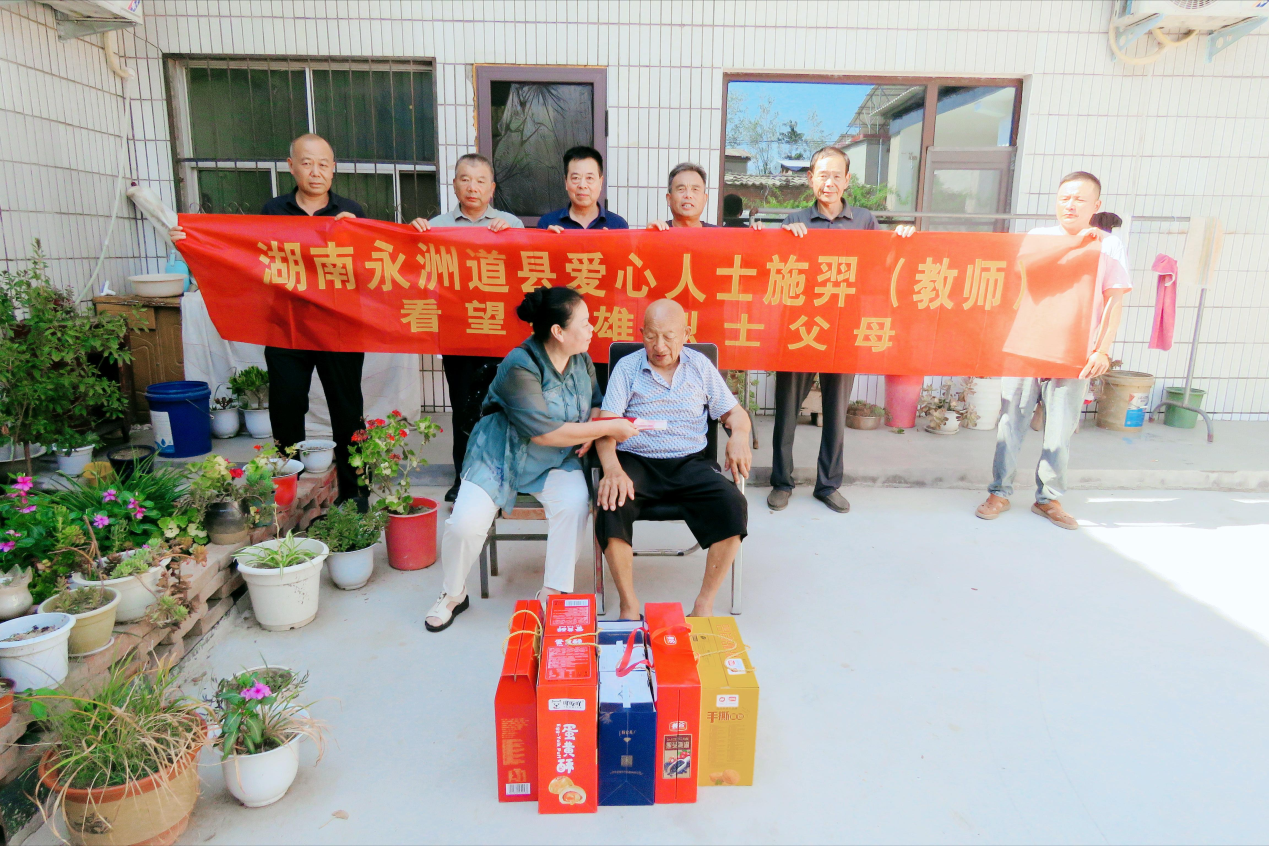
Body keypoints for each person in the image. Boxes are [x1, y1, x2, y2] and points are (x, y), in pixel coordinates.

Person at [425, 288, 640, 632]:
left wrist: (591, 428)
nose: (592, 328)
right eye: (585, 322)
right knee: (464, 524)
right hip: (499, 457)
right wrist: (608, 428)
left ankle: (553, 591)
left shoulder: (581, 360)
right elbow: (544, 433)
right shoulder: (520, 365)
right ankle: (453, 593)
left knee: (574, 504)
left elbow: (595, 403)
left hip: (556, 460)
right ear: (558, 331)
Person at [169, 133, 367, 505]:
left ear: (333, 169)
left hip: (338, 327)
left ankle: (356, 492)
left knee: (347, 410)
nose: (315, 172)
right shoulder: (273, 211)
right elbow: (242, 252)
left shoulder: (351, 212)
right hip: (286, 327)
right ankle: (286, 489)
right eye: (307, 163)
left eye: (323, 164)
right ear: (291, 166)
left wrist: (357, 235)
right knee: (286, 406)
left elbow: (373, 266)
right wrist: (192, 240)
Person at [976, 171, 1131, 530]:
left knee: (1060, 431)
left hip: (1074, 351)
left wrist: (1102, 350)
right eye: (1065, 198)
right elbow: (1024, 276)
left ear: (1096, 205)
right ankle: (999, 491)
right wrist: (1075, 246)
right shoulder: (1038, 237)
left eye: (1079, 199)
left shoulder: (1108, 245)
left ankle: (1048, 499)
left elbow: (1114, 301)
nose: (1070, 205)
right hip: (1025, 346)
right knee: (1009, 424)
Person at [769, 145, 914, 514]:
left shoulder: (865, 221)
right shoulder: (795, 219)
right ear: (810, 179)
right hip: (801, 327)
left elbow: (884, 266)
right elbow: (773, 266)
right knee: (787, 411)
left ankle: (828, 485)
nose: (829, 182)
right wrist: (783, 236)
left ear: (847, 180)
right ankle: (781, 482)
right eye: (822, 175)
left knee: (835, 412)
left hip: (843, 329)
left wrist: (901, 238)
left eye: (836, 176)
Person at [595, 299, 753, 620]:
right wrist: (611, 468)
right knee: (611, 505)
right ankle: (628, 605)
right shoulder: (627, 368)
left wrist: (739, 436)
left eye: (669, 336)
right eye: (651, 336)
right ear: (641, 333)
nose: (659, 346)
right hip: (636, 462)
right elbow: (605, 427)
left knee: (733, 505)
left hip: (690, 463)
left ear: (686, 335)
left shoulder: (699, 367)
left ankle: (703, 605)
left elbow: (735, 414)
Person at [408, 153, 524, 502]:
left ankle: (503, 477)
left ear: (492, 188)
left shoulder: (510, 224)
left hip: (500, 332)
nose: (472, 187)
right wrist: (412, 236)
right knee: (462, 408)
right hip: (457, 333)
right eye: (465, 179)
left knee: (502, 408)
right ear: (455, 184)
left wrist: (512, 239)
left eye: (480, 180)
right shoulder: (436, 226)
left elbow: (525, 272)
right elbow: (417, 274)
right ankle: (464, 478)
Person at [645, 163, 761, 231]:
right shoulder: (658, 233)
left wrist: (756, 237)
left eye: (695, 189)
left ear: (705, 199)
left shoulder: (719, 237)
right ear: (669, 199)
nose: (688, 195)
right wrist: (647, 237)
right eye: (681, 189)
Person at [538, 146, 629, 231]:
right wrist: (547, 239)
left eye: (589, 178)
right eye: (576, 178)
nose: (582, 185)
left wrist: (612, 242)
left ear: (600, 182)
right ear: (566, 182)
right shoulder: (547, 223)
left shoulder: (618, 226)